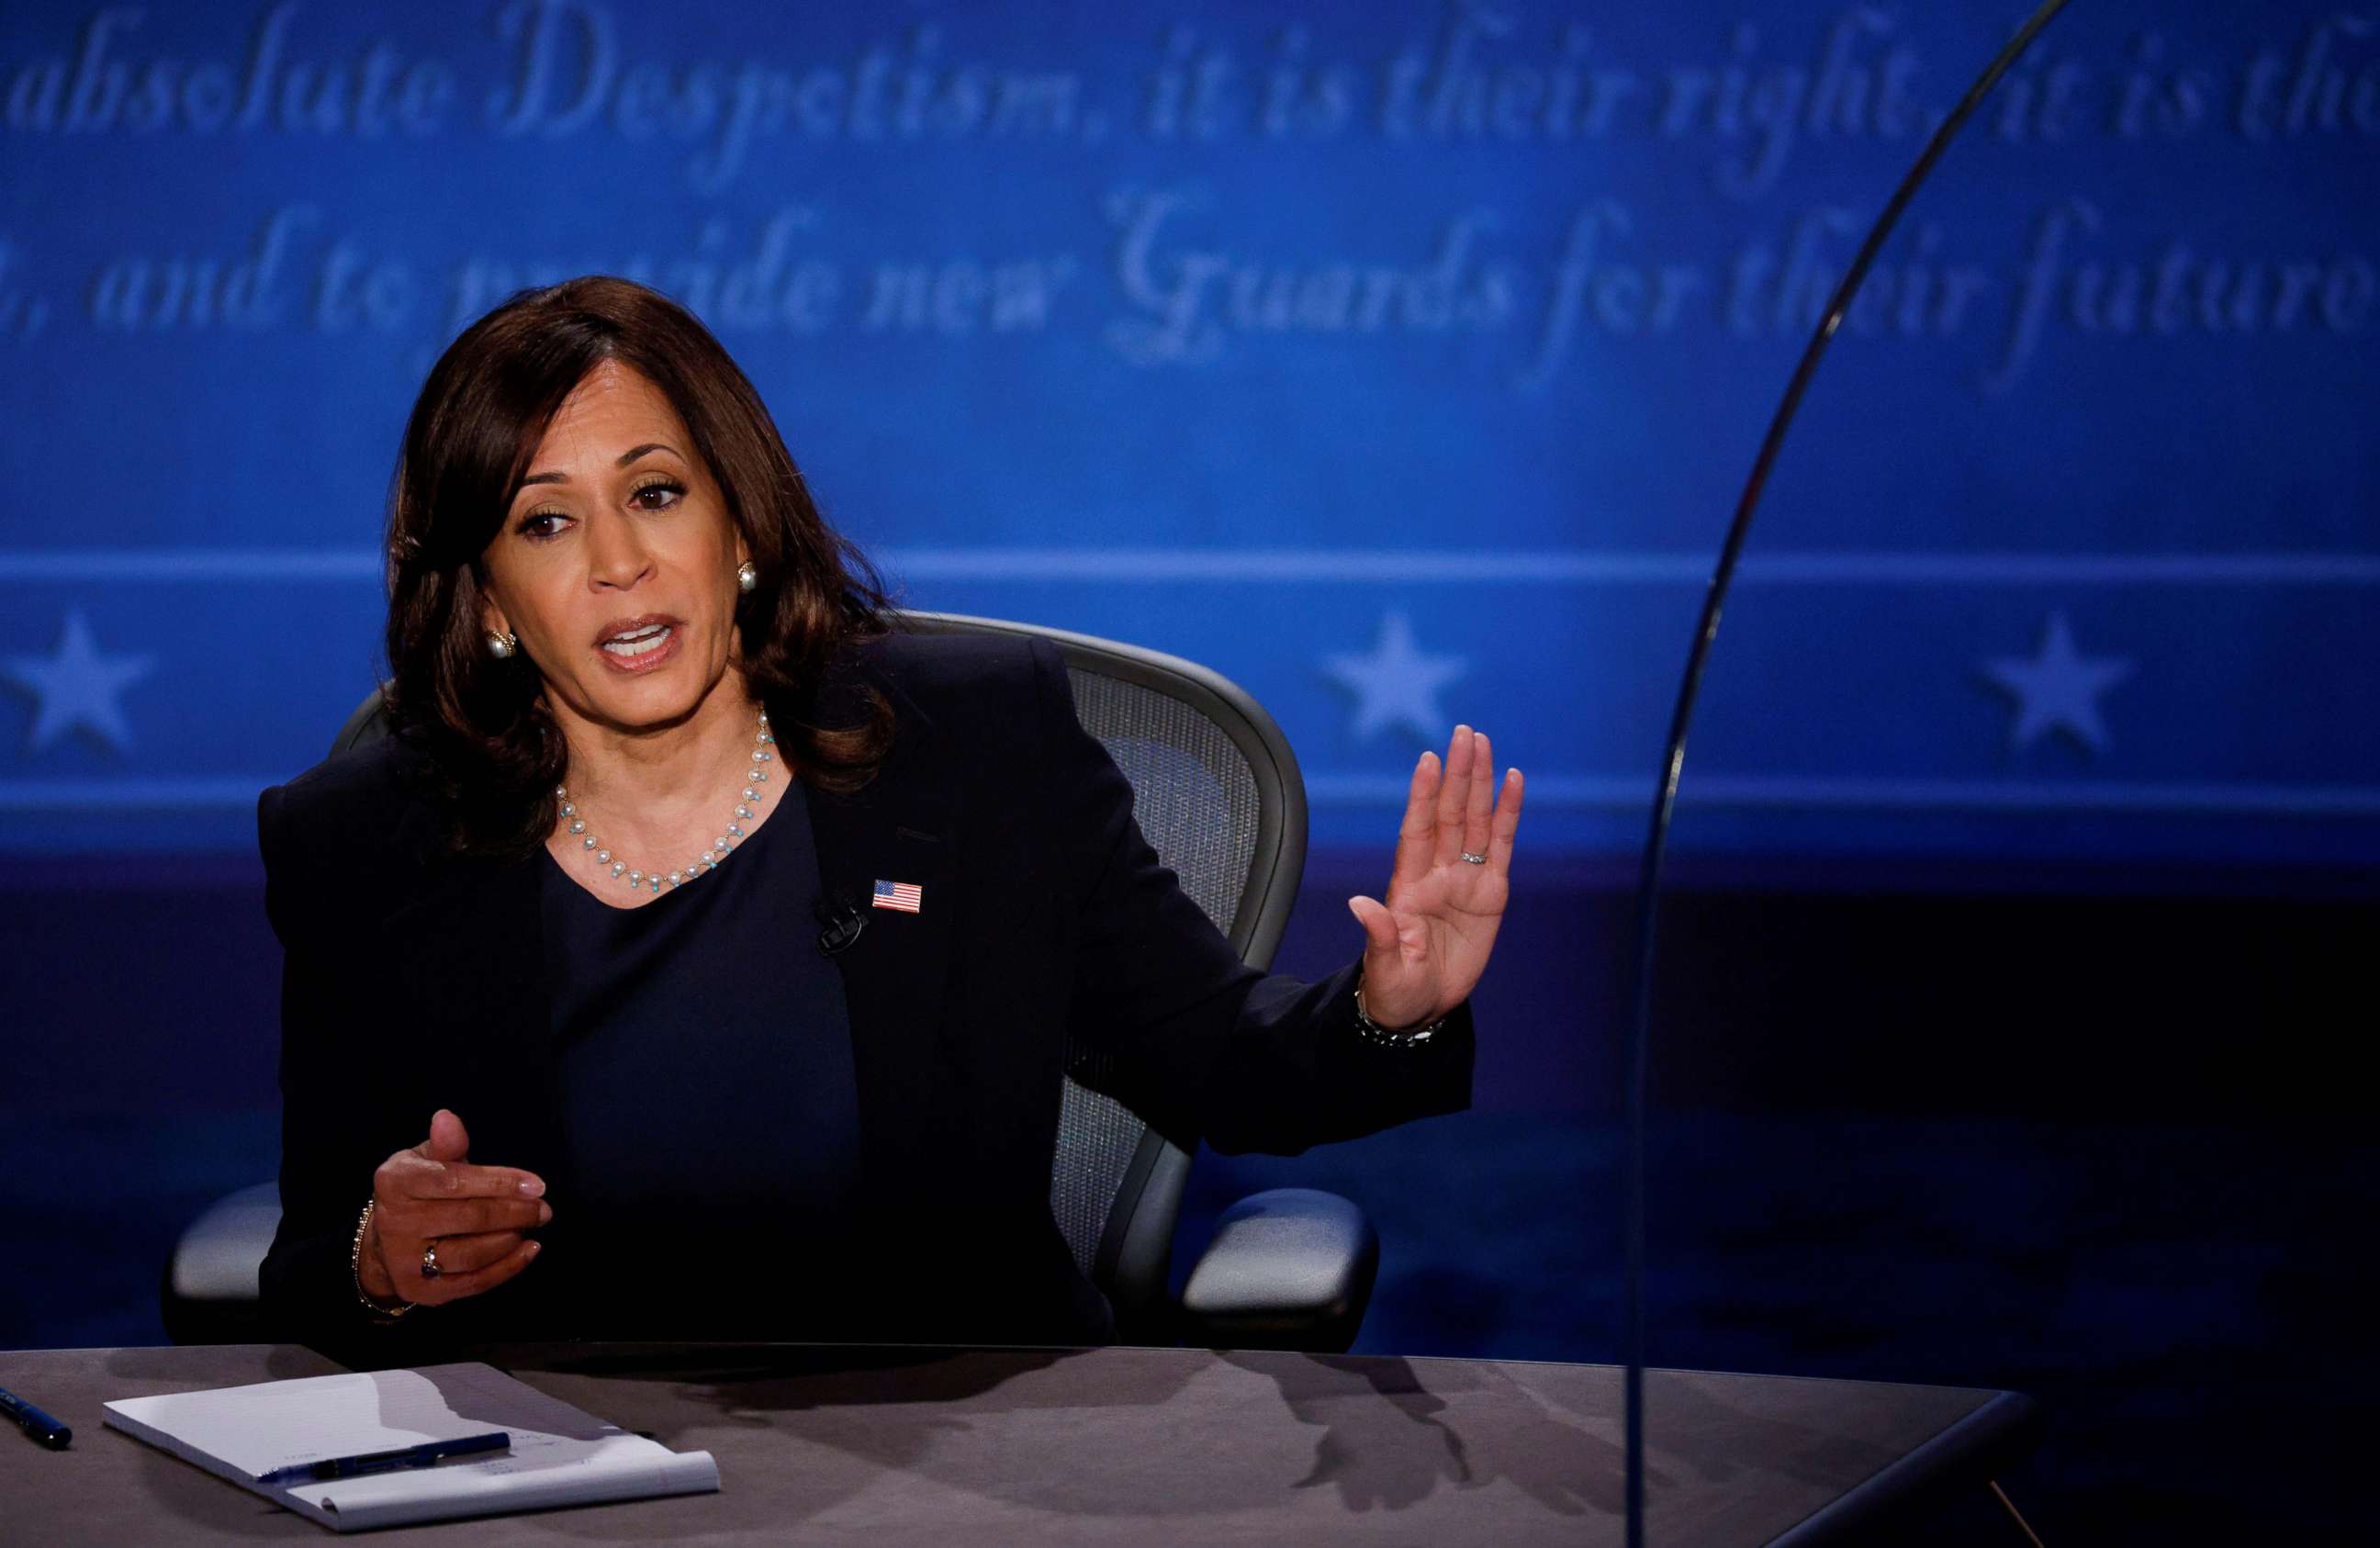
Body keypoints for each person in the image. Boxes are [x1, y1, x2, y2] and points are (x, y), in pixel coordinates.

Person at [256, 275, 1524, 1356]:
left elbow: (1232, 1061)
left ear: (738, 523)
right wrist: (377, 1257)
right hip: (562, 1488)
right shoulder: (364, 843)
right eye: (546, 521)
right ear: (487, 602)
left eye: (655, 493)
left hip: (964, 1459)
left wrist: (1389, 1011)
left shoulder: (975, 751)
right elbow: (308, 1264)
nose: (618, 562)